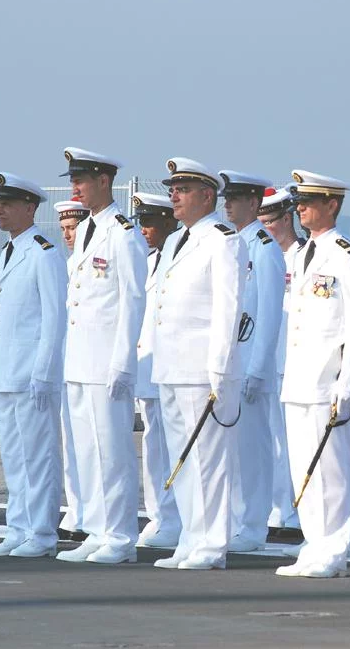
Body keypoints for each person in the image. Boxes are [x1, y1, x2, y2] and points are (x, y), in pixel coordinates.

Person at [151, 157, 247, 571]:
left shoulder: (223, 239)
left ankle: (211, 545)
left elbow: (229, 311)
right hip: (172, 365)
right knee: (184, 459)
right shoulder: (176, 240)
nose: (174, 196)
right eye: (173, 189)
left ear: (207, 196)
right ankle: (192, 537)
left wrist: (221, 371)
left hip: (201, 369)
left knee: (207, 458)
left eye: (183, 189)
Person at [277, 170, 350, 579]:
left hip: (327, 380)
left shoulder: (346, 254)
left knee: (331, 470)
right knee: (304, 470)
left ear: (332, 204)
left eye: (309, 201)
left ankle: (334, 547)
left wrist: (348, 383)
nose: (300, 208)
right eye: (299, 201)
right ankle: (314, 543)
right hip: (298, 378)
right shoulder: (301, 255)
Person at [57, 147, 148, 565]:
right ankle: (96, 528)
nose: (75, 186)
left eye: (81, 179)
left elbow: (132, 299)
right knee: (86, 451)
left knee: (111, 451)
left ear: (104, 181)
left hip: (106, 362)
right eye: (73, 179)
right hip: (79, 360)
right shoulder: (90, 230)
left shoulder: (123, 232)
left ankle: (120, 535)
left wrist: (123, 361)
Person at [0, 174, 68, 558]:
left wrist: (45, 372)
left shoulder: (44, 252)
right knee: (14, 458)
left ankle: (43, 532)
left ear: (30, 208)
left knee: (38, 457)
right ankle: (18, 528)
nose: (0, 209)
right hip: (7, 372)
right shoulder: (12, 250)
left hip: (31, 372)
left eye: (8, 203)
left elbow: (54, 319)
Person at [220, 170, 286, 552]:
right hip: (229, 363)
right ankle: (232, 521)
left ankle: (254, 524)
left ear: (253, 203)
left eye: (236, 197)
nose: (227, 203)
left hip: (250, 364)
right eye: (226, 197)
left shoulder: (264, 246)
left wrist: (259, 369)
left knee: (253, 450)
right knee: (228, 451)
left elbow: (270, 314)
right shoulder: (230, 243)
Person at [132, 191, 182, 549]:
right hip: (148, 366)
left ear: (169, 221)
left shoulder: (178, 257)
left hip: (172, 366)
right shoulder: (149, 261)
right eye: (142, 223)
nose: (145, 229)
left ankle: (175, 517)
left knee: (172, 446)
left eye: (151, 222)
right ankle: (159, 515)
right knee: (153, 446)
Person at [258, 186, 305, 536]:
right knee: (273, 439)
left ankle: (296, 511)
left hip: (297, 362)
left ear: (286, 219)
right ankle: (278, 507)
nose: (263, 230)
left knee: (295, 440)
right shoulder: (262, 256)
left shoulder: (305, 256)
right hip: (269, 360)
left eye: (268, 222)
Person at [52, 198, 90, 543]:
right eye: (63, 229)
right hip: (68, 361)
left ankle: (87, 513)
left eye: (72, 228)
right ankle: (75, 508)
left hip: (88, 362)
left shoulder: (91, 261)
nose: (67, 235)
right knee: (72, 444)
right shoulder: (67, 264)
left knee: (91, 445)